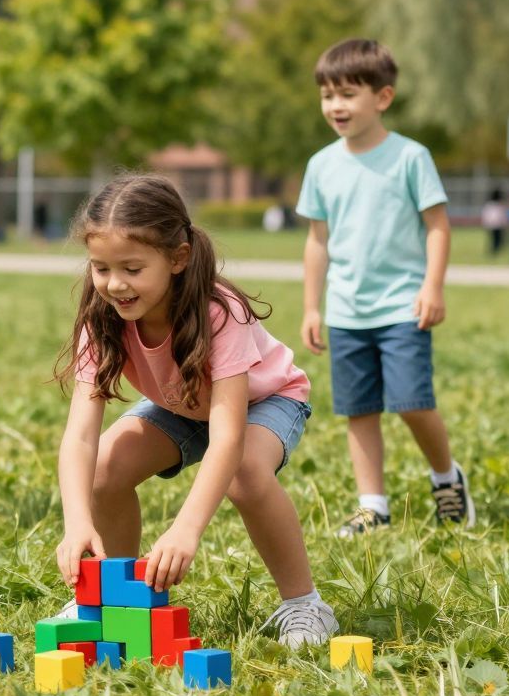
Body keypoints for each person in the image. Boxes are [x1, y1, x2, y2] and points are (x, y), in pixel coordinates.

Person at [51, 173, 337, 649]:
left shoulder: (218, 311)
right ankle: (112, 598)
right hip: (181, 404)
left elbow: (227, 437)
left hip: (264, 400)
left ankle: (305, 604)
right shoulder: (102, 317)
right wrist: (76, 521)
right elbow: (80, 436)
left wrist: (186, 529)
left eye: (132, 268)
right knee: (102, 468)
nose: (115, 284)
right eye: (101, 268)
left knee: (245, 472)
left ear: (177, 258)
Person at [296, 39, 472, 536]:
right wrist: (313, 307)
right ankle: (372, 505)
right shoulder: (321, 166)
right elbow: (316, 242)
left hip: (402, 306)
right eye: (327, 95)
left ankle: (446, 479)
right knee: (359, 410)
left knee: (413, 401)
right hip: (347, 311)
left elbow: (438, 226)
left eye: (348, 94)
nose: (336, 106)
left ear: (383, 97)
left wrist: (432, 287)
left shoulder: (411, 157)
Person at [481, 188, 509, 258]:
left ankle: (494, 250)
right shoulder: (499, 205)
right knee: (497, 239)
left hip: (491, 225)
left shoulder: (489, 205)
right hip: (497, 225)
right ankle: (494, 251)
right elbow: (501, 215)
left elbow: (486, 215)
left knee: (495, 239)